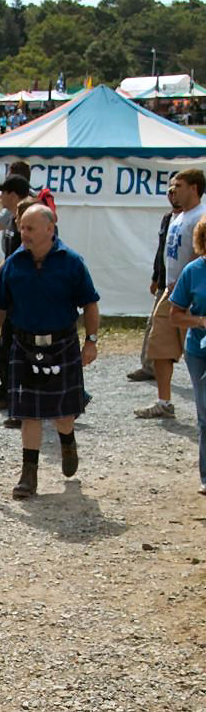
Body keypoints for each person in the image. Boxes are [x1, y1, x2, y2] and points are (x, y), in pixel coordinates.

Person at [0, 204, 99, 499]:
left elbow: (90, 303)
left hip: (62, 344)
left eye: (30, 228)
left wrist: (91, 341)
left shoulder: (71, 262)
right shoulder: (14, 263)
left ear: (50, 228)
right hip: (24, 344)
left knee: (63, 414)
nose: (24, 233)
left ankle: (67, 441)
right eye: (22, 227)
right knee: (29, 414)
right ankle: (28, 474)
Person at [136, 170, 206, 420]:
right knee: (160, 348)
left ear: (194, 188)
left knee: (196, 350)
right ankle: (164, 402)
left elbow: (200, 253)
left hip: (191, 293)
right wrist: (161, 279)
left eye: (179, 185)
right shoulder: (178, 217)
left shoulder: (201, 216)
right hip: (170, 290)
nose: (173, 190)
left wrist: (187, 284)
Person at [0, 173, 30, 414]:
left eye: (3, 192)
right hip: (10, 290)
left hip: (21, 295)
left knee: (14, 346)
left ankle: (14, 396)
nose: (0, 196)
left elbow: (20, 258)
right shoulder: (13, 220)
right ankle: (7, 393)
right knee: (5, 345)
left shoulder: (26, 224)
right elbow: (10, 257)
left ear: (13, 194)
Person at [168, 216, 206, 495]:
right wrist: (200, 321)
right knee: (205, 413)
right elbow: (175, 315)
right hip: (199, 351)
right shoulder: (193, 271)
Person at [128, 205, 178, 383]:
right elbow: (161, 251)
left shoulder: (195, 218)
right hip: (165, 283)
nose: (173, 195)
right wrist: (156, 276)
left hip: (186, 283)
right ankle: (149, 367)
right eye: (170, 192)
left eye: (176, 191)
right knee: (154, 323)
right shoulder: (168, 218)